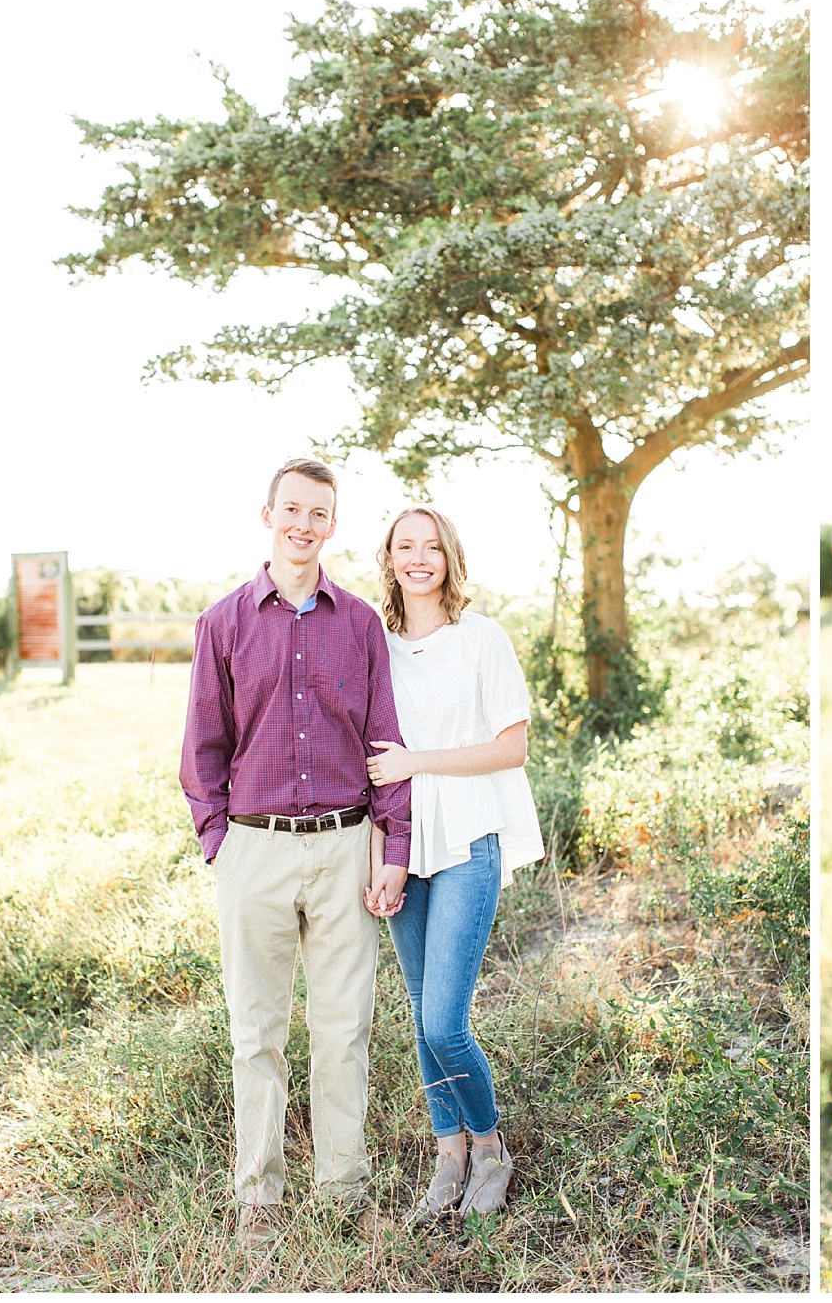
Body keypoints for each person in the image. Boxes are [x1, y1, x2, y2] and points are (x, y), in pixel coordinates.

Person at [180, 457, 412, 1242]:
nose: (303, 525)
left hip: (348, 845)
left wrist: (393, 846)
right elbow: (203, 747)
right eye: (292, 510)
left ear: (333, 524)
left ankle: (341, 1189)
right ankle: (260, 1196)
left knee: (344, 1027)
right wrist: (220, 843)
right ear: (268, 516)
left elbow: (386, 739)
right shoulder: (224, 622)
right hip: (255, 850)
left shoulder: (360, 625)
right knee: (258, 1031)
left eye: (320, 512)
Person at [362, 504, 546, 1225]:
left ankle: (490, 1143)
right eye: (405, 546)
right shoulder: (375, 645)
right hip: (404, 851)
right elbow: (371, 767)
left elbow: (512, 746)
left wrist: (421, 761)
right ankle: (450, 1155)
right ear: (389, 559)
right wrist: (381, 859)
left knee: (444, 1021)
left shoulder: (482, 639)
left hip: (469, 838)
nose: (418, 558)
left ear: (449, 558)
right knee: (416, 1012)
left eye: (431, 547)